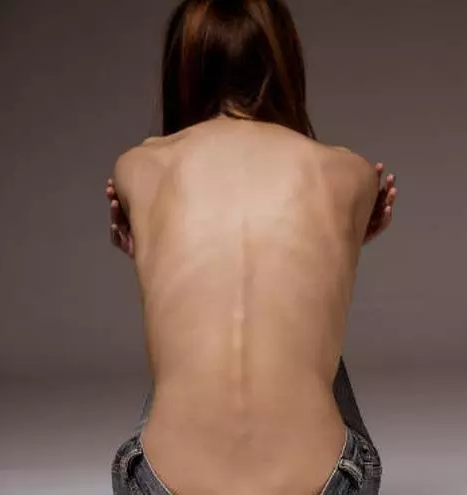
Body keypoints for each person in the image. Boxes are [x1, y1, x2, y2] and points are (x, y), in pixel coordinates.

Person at [102, 0, 397, 493]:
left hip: (159, 486)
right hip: (328, 486)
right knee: (300, 330)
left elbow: (187, 272)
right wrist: (348, 238)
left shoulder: (139, 167)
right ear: (285, 66)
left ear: (182, 68)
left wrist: (146, 245)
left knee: (196, 331)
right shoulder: (348, 172)